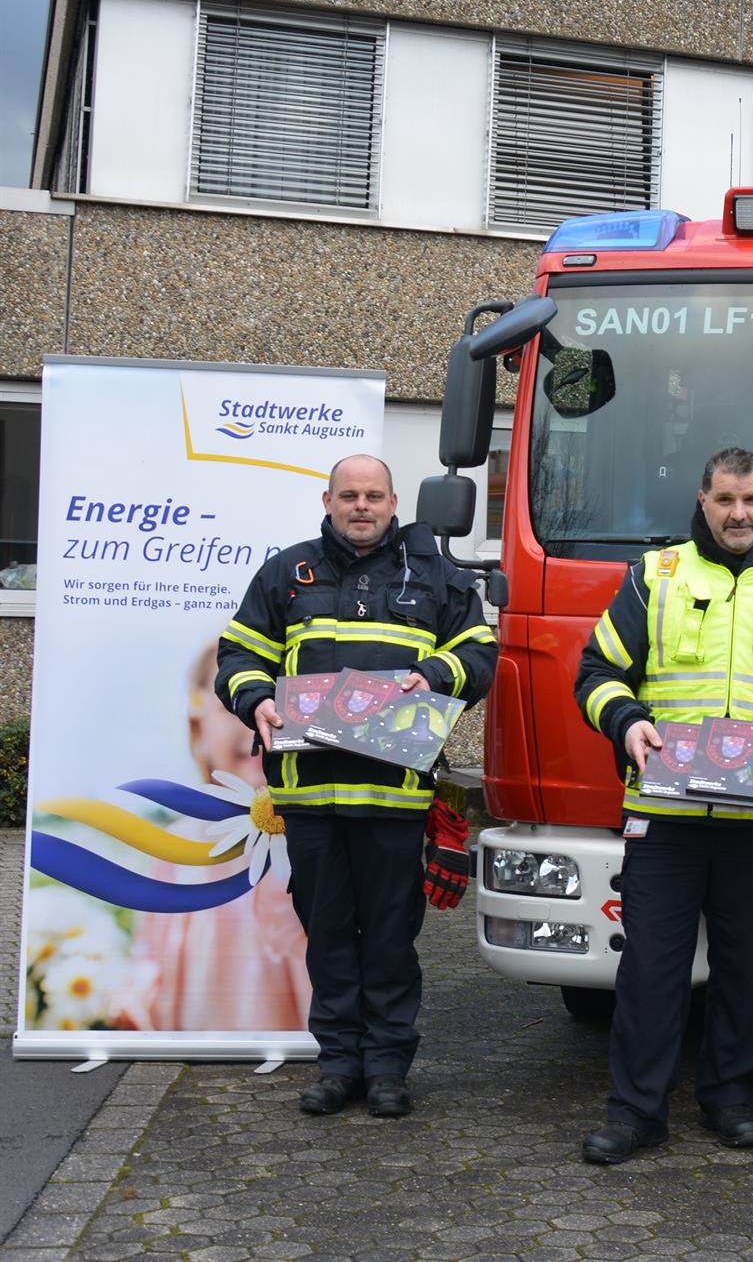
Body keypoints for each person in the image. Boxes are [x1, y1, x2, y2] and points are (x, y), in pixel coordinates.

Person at [573, 446, 753, 1165]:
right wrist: (626, 721)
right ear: (702, 499)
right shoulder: (656, 575)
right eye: (726, 499)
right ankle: (637, 1112)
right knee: (651, 968)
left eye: (752, 500)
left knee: (741, 967)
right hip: (665, 813)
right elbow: (597, 670)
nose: (739, 514)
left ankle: (730, 1100)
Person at [216, 454, 497, 1118]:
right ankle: (338, 1063)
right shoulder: (289, 570)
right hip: (309, 797)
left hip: (395, 797)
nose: (361, 505)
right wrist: (254, 697)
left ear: (394, 500)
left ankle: (388, 1067)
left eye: (373, 494)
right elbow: (239, 651)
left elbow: (480, 650)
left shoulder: (432, 574)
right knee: (331, 933)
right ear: (329, 499)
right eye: (350, 494)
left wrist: (434, 673)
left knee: (392, 937)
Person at [118, 644, 312, 1033]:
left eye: (281, 705)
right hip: (194, 1034)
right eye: (234, 705)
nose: (259, 724)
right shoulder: (176, 847)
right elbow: (150, 953)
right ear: (198, 726)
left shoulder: (316, 840)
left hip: (292, 1035)